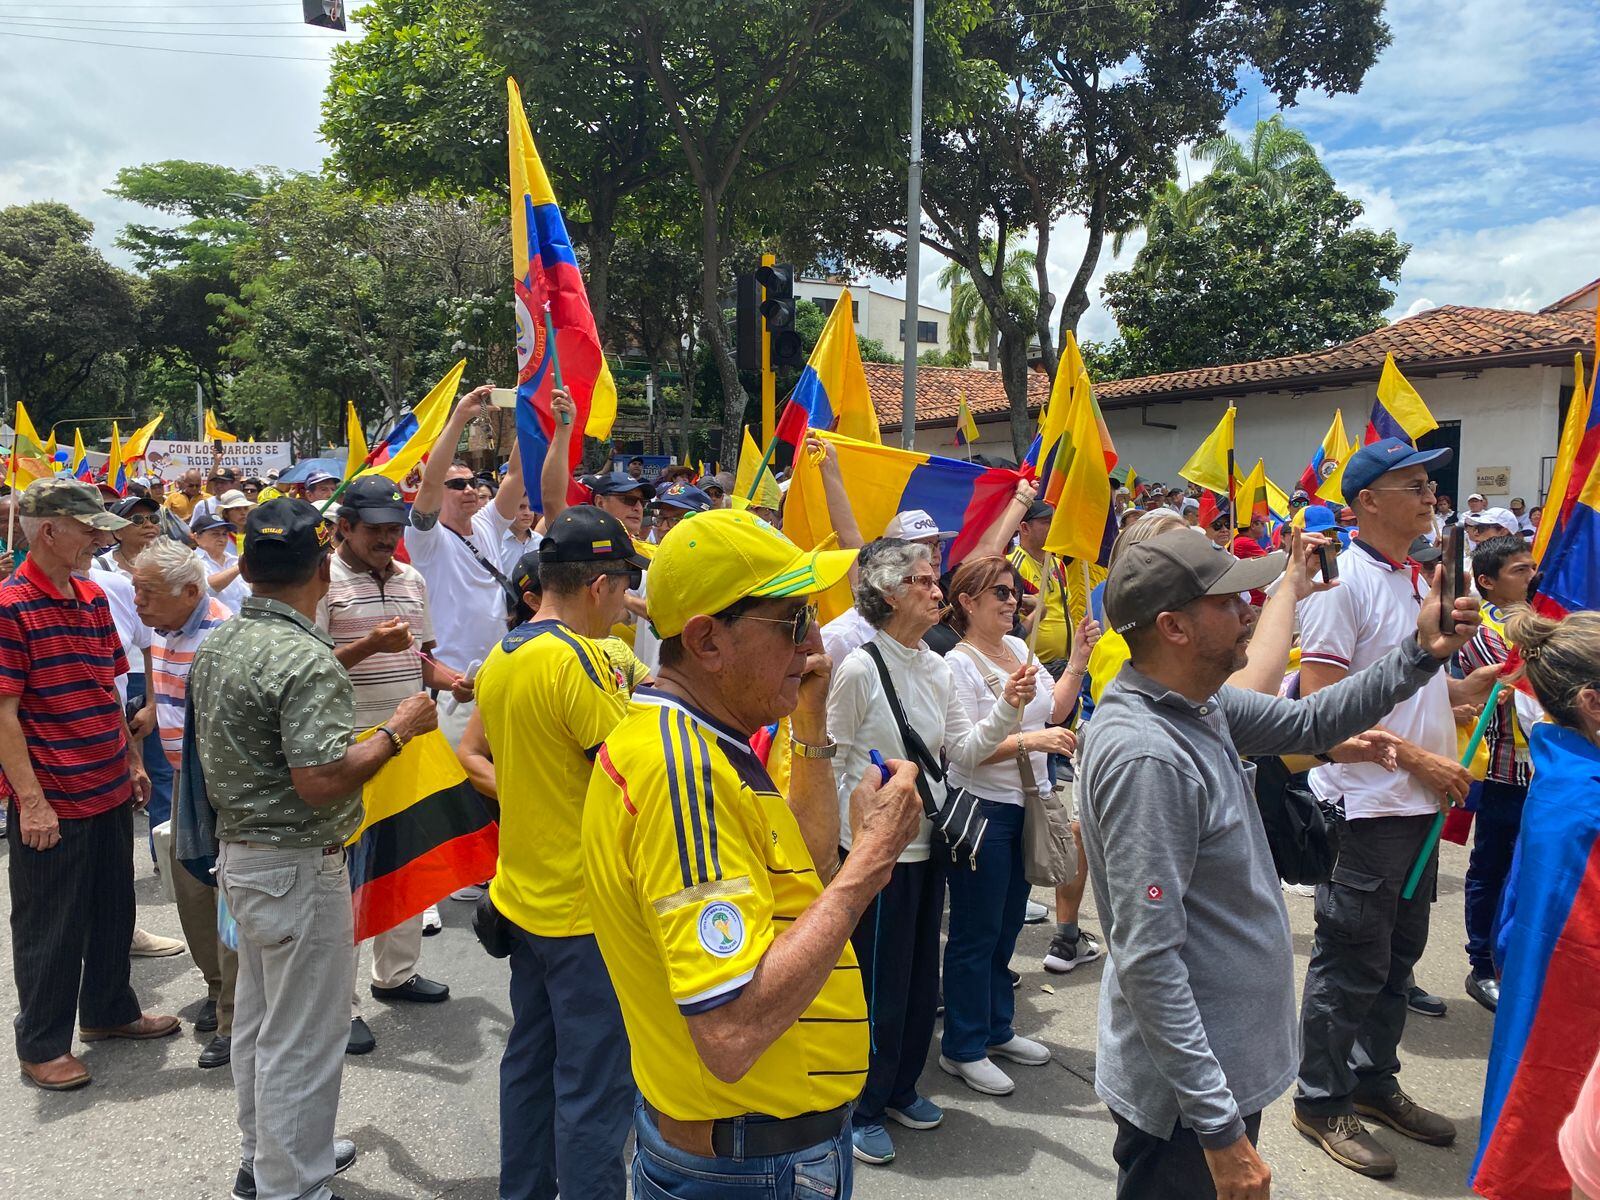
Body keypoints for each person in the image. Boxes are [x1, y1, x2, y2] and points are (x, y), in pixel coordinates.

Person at [1078, 527, 1480, 1200]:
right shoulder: (1148, 753)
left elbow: (1311, 721)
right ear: (1174, 627)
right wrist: (1218, 1131)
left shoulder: (1199, 705)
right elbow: (1149, 959)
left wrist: (1419, 652)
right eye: (1229, 601)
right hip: (1188, 1104)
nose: (1251, 610)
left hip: (1215, 1081)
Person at [582, 506, 923, 1200]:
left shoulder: (706, 737)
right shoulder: (685, 774)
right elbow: (732, 1033)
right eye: (793, 621)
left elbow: (806, 878)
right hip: (750, 1163)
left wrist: (810, 723)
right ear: (707, 640)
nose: (814, 643)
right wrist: (871, 866)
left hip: (757, 1151)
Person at [192, 498, 437, 1200]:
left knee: (264, 1023)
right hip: (297, 863)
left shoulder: (223, 640)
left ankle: (267, 1153)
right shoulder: (307, 659)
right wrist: (397, 729)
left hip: (243, 856)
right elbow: (321, 782)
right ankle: (293, 1181)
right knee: (304, 1034)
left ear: (244, 568)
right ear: (323, 573)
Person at [1292, 438, 1496, 1177]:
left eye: (1431, 484)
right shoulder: (1340, 587)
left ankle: (1373, 1082)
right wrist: (1417, 758)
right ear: (1366, 502)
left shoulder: (1416, 581)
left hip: (1416, 806)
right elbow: (1317, 717)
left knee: (1396, 960)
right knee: (1350, 960)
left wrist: (1471, 687)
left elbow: (1412, 689)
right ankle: (1320, 1100)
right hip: (1367, 807)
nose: (1431, 496)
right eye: (1413, 484)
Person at [826, 539, 1035, 1165]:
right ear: (889, 594)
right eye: (921, 580)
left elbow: (963, 753)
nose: (935, 590)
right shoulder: (861, 667)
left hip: (928, 841)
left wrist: (1008, 706)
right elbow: (835, 761)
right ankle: (861, 1105)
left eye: (934, 578)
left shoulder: (937, 666)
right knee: (876, 981)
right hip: (876, 852)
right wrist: (858, 837)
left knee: (919, 978)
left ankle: (902, 1087)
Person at [475, 505, 647, 1200]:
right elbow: (629, 773)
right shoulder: (573, 661)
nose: (625, 605)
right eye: (624, 586)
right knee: (595, 1090)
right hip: (585, 911)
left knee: (530, 1067)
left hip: (527, 897)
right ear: (599, 584)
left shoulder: (506, 653)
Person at [1, 479, 175, 1092]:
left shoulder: (93, 597)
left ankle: (109, 1011)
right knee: (50, 924)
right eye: (88, 528)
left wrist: (131, 761)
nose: (101, 537)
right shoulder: (11, 605)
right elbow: (4, 713)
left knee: (111, 908)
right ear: (49, 530)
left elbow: (110, 689)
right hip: (54, 795)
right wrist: (31, 801)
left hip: (104, 782)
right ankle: (42, 1044)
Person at [318, 477, 462, 1055]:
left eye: (392, 529)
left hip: (410, 740)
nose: (386, 538)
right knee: (346, 875)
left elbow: (420, 658)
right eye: (374, 528)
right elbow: (308, 667)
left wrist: (452, 680)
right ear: (343, 527)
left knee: (404, 858)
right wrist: (365, 648)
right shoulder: (320, 582)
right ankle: (339, 1004)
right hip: (348, 744)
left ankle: (395, 975)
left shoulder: (412, 579)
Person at [940, 555, 1088, 1096]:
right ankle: (962, 1045)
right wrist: (1034, 741)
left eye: (1014, 591)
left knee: (1007, 927)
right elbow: (962, 752)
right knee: (976, 933)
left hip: (1026, 806)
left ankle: (997, 1028)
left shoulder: (1022, 650)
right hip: (983, 809)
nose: (1011, 600)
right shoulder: (956, 664)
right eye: (999, 592)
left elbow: (1053, 710)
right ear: (968, 602)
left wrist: (1077, 660)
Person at [1471, 608, 1600, 1200]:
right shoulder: (1584, 808)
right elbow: (1577, 962)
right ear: (1592, 705)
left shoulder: (1568, 776)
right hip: (1570, 1040)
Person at [131, 536, 239, 1070]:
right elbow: (161, 688)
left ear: (191, 591)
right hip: (183, 784)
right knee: (194, 895)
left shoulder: (221, 634)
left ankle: (235, 1020)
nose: (137, 603)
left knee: (227, 902)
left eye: (147, 591)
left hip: (218, 791)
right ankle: (219, 990)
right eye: (134, 589)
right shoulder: (166, 629)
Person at [403, 385, 526, 745]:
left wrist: (530, 413)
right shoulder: (426, 539)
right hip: (453, 691)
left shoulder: (488, 523)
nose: (470, 489)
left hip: (498, 681)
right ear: (439, 492)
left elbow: (517, 474)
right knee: (461, 792)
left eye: (473, 482)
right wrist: (459, 418)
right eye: (457, 484)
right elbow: (429, 481)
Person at [1453, 535, 1538, 1013]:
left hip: (1545, 770)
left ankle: (1519, 959)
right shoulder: (1484, 632)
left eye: (1532, 568)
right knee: (1493, 867)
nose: (1531, 577)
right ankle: (1482, 964)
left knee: (1534, 867)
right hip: (1504, 771)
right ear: (1486, 581)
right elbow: (1524, 678)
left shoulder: (1544, 620)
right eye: (1519, 571)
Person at [1009, 500, 1072, 678]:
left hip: (1066, 664)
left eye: (1054, 521)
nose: (1053, 527)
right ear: (1024, 527)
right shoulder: (1012, 565)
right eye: (1046, 522)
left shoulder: (1058, 564)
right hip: (1033, 668)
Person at [192, 512, 249, 612]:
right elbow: (206, 590)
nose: (222, 539)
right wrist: (240, 566)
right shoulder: (191, 561)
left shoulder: (234, 560)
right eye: (215, 534)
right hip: (215, 625)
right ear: (197, 537)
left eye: (224, 534)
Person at [498, 492, 539, 574]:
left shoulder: (540, 541)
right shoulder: (497, 542)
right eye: (521, 507)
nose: (527, 513)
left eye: (531, 508)